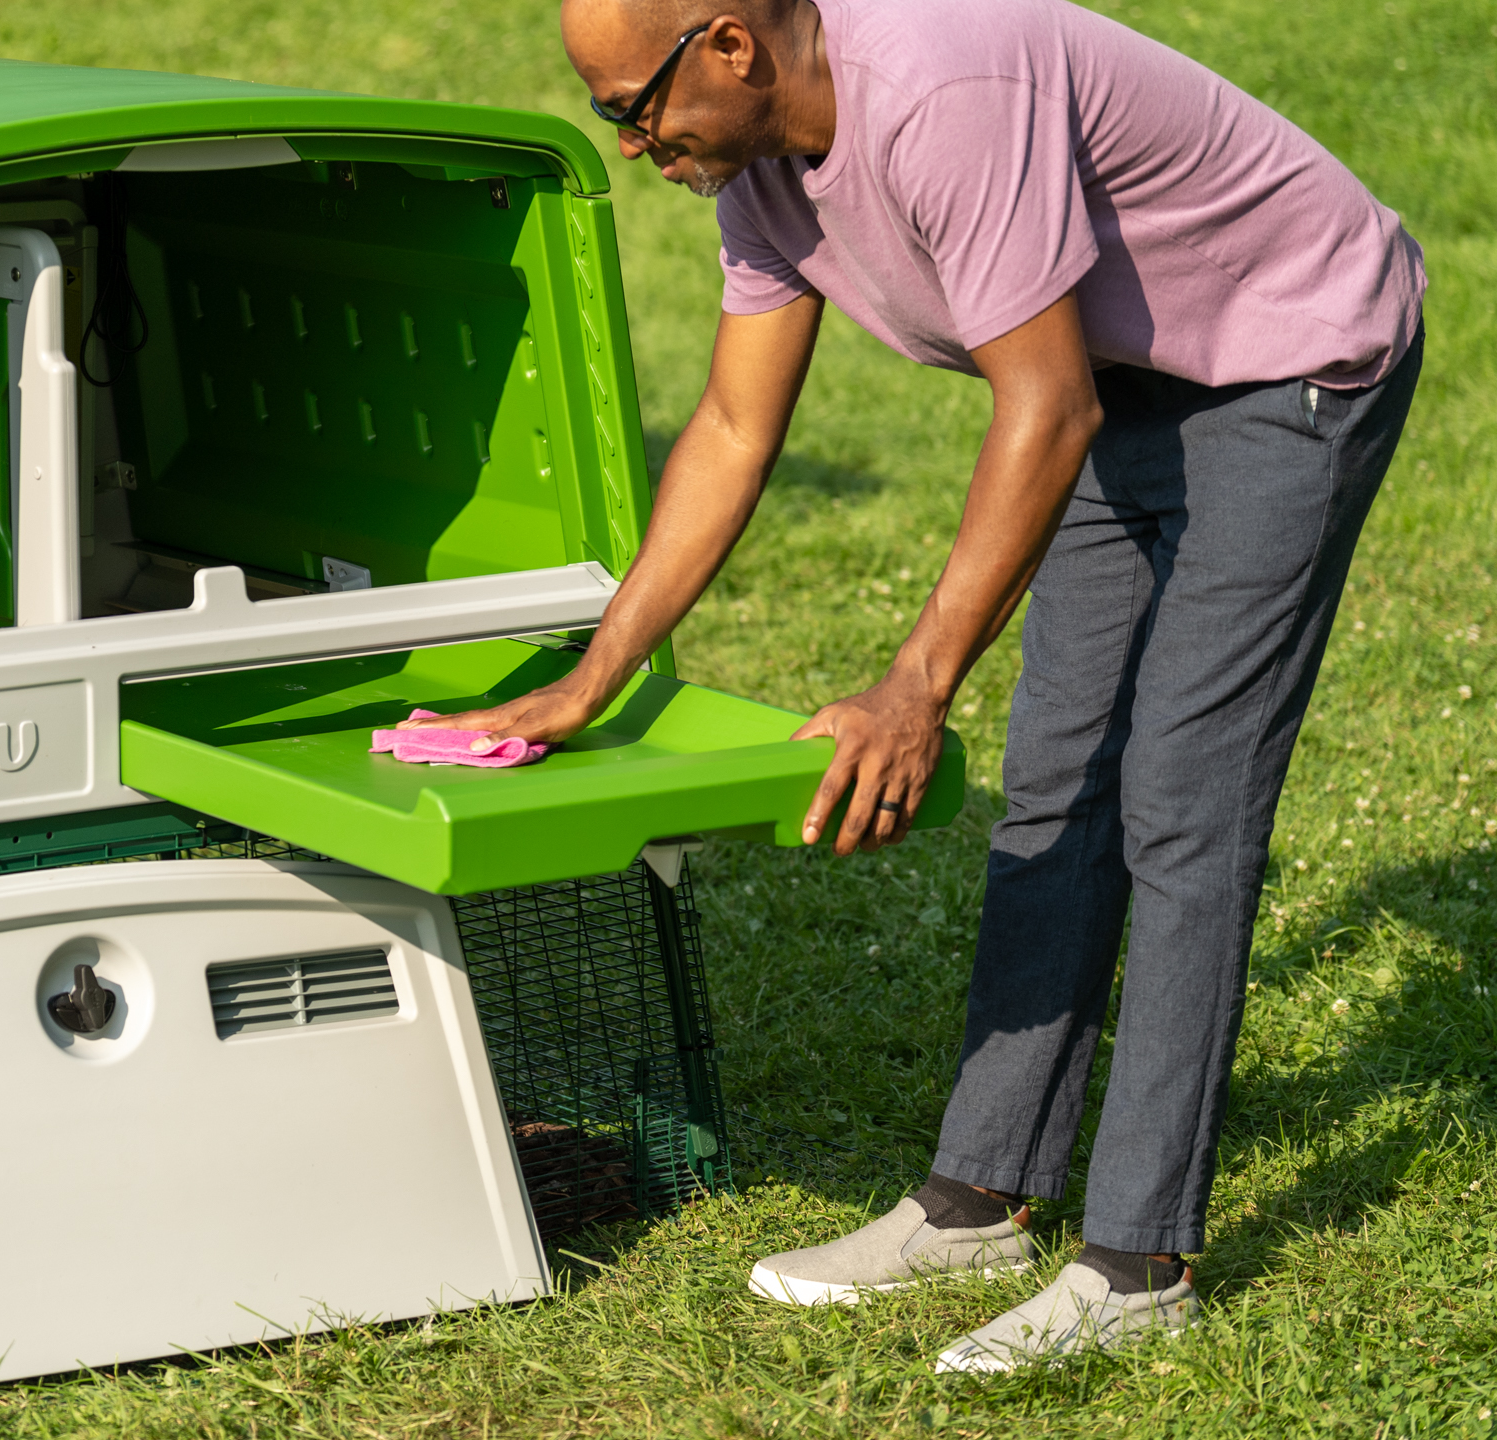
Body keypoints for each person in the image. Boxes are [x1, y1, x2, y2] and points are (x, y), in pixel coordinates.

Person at [403, 0, 1425, 1371]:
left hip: (1287, 353)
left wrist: (914, 685)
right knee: (1060, 779)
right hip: (1122, 374)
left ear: (728, 44)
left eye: (630, 107)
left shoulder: (942, 89)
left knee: (1184, 793)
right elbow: (729, 427)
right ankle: (978, 1200)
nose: (636, 141)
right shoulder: (757, 172)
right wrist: (592, 678)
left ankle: (1138, 1265)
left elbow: (1044, 406)